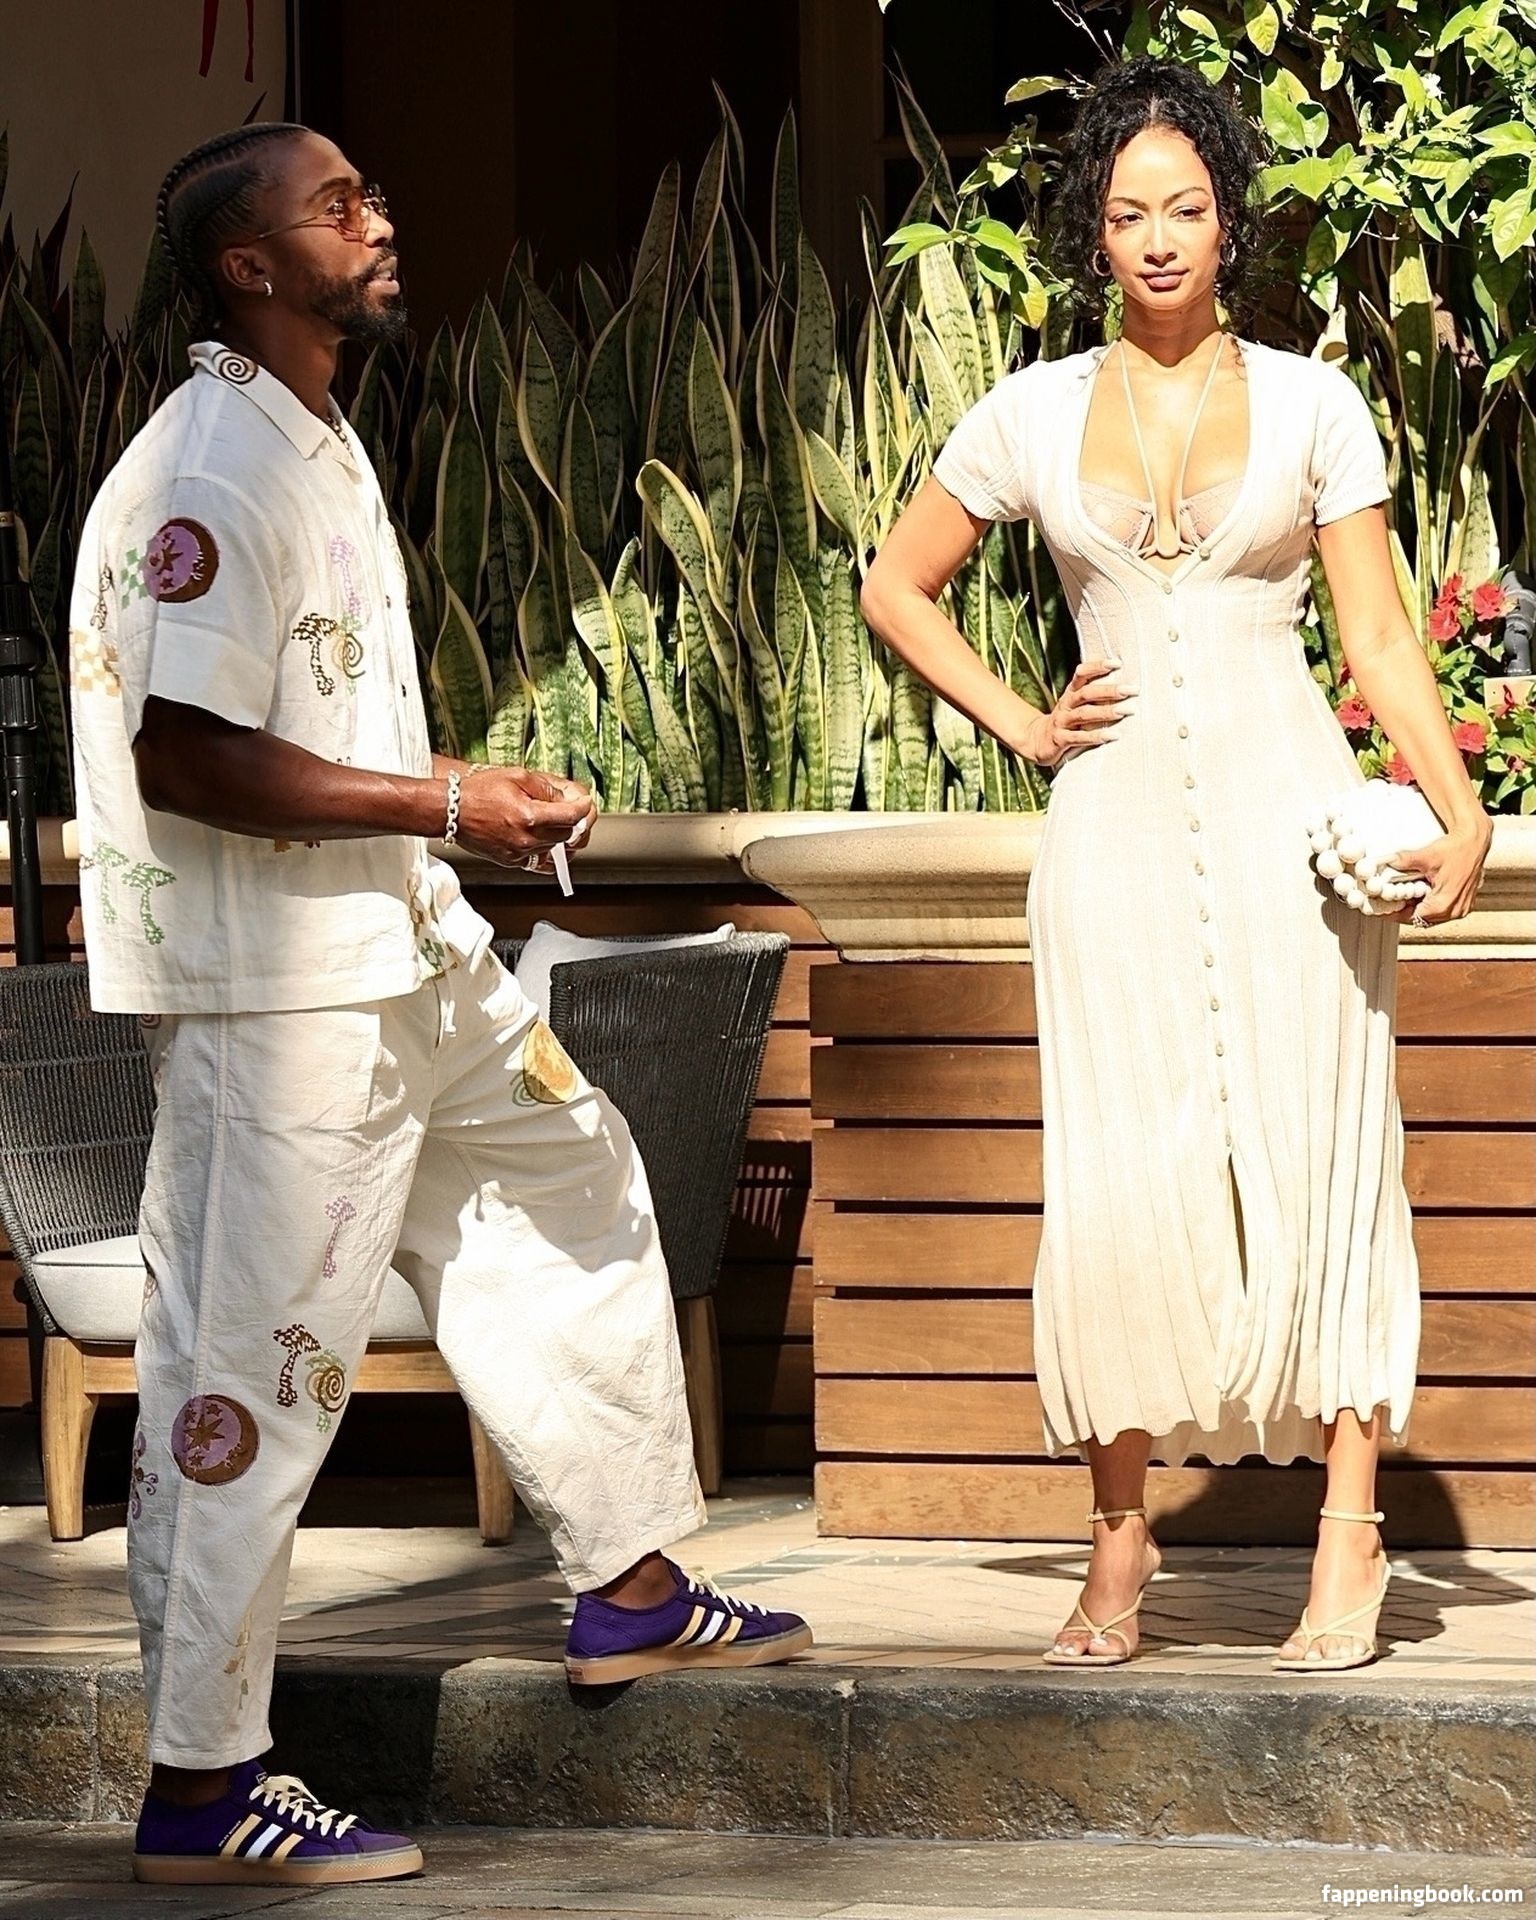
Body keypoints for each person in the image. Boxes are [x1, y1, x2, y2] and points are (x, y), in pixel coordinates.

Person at [69, 122, 811, 1890]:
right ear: (249, 266)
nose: (379, 219)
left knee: (572, 1169)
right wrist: (448, 801)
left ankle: (631, 1582)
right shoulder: (209, 470)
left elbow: (308, 722)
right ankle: (202, 1787)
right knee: (248, 1375)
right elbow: (185, 755)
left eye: (375, 194)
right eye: (336, 207)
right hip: (281, 999)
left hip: (398, 949)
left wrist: (446, 806)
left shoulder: (311, 436)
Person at [860, 58, 1491, 1676]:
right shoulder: (1026, 412)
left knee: (1326, 1152)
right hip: (1113, 835)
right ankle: (1119, 1536)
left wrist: (1458, 801)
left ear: (1227, 224)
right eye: (1129, 211)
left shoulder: (1314, 405)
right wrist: (1024, 722)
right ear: (1095, 229)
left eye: (1187, 208)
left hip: (1295, 828)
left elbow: (1376, 635)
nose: (1157, 237)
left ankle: (1349, 1533)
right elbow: (894, 585)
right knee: (1122, 1176)